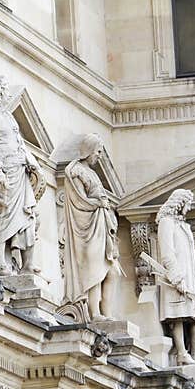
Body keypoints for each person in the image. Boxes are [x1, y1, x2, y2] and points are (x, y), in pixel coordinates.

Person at [0, 75, 40, 275]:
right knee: (2, 215)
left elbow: (18, 143)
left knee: (30, 216)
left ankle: (27, 264)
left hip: (20, 172)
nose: (8, 95)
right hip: (5, 172)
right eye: (5, 91)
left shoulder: (8, 117)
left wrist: (32, 162)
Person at [62, 133, 124, 320]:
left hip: (101, 226)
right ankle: (95, 313)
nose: (100, 156)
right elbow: (80, 201)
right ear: (88, 151)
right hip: (88, 229)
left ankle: (107, 312)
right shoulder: (76, 171)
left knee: (113, 272)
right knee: (96, 272)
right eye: (97, 152)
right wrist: (99, 203)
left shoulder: (93, 173)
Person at [155, 189, 195, 365]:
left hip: (190, 276)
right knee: (177, 315)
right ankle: (182, 353)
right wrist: (177, 278)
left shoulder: (184, 226)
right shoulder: (166, 223)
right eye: (188, 204)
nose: (189, 208)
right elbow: (167, 253)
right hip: (175, 277)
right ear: (180, 203)